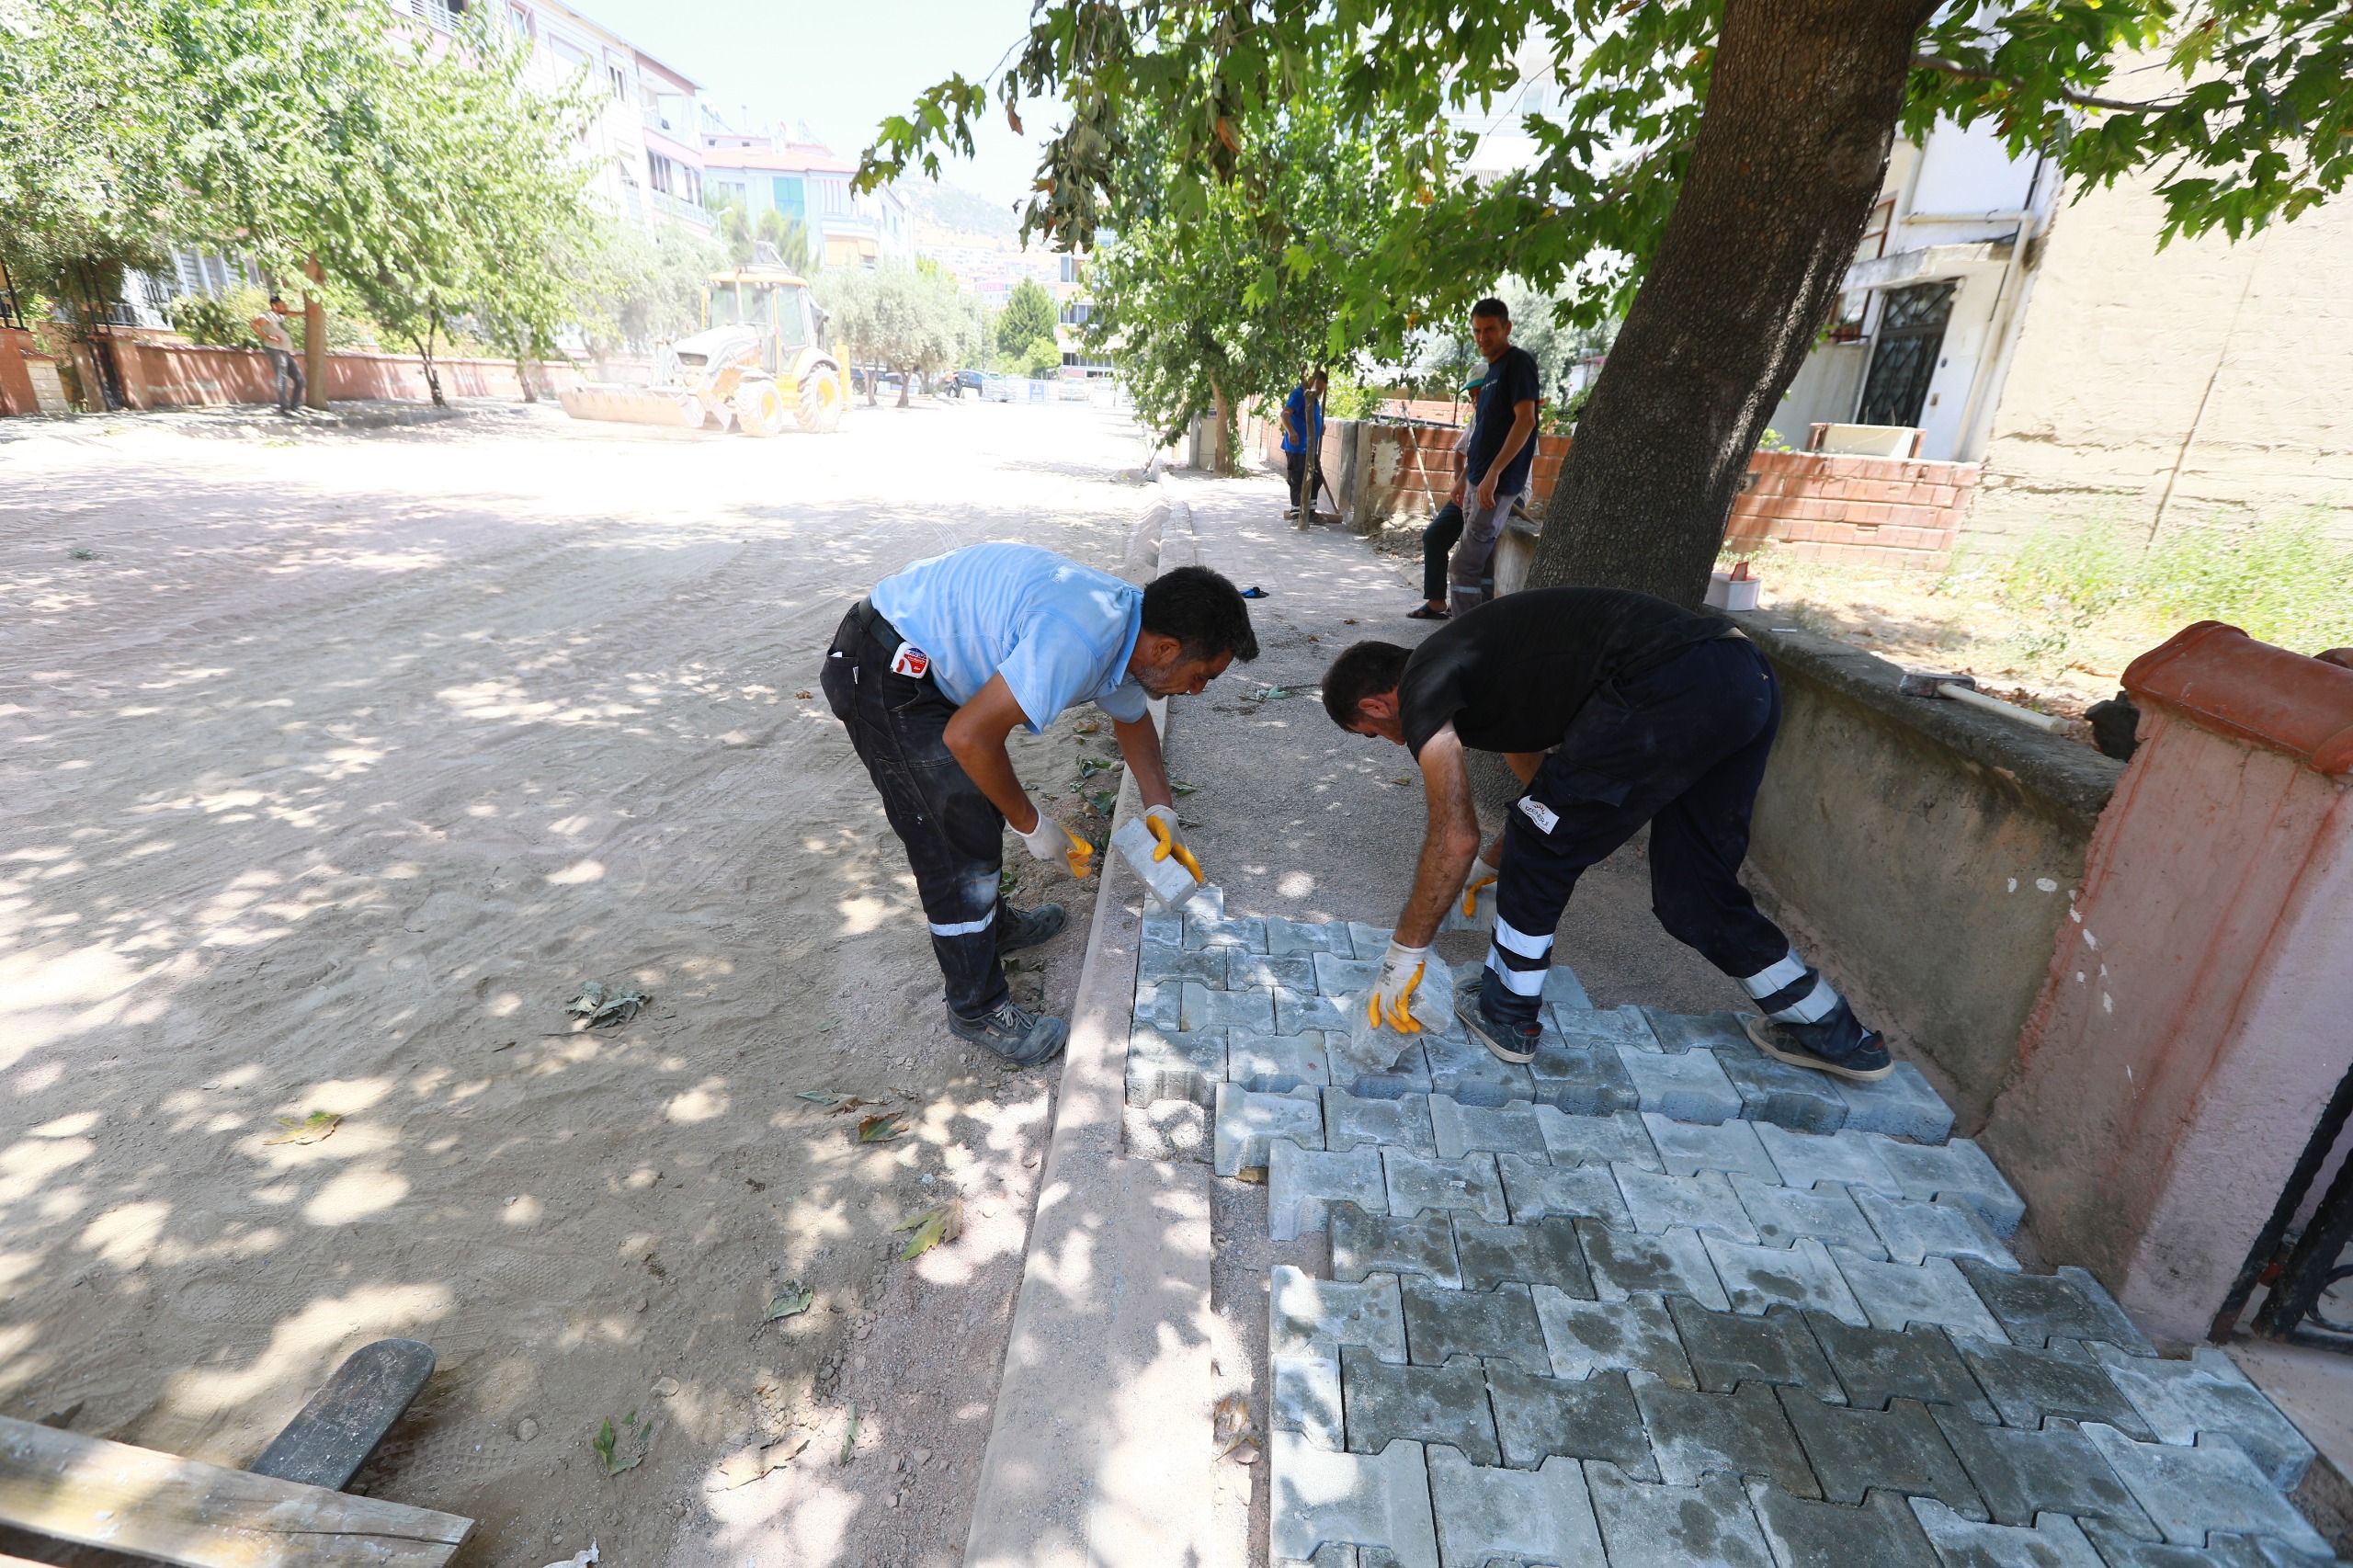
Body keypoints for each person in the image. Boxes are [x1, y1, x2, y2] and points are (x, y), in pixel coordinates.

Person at [1318, 587, 1893, 1081]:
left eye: (1371, 732)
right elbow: (1545, 785)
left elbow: (1456, 834)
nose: (1388, 743)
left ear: (1376, 704)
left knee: (1537, 844)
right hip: (1743, 680)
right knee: (1694, 894)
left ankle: (1506, 1013)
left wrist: (1404, 957)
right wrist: (1496, 864)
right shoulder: (1478, 674)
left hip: (1671, 682)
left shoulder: (1424, 684)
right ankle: (1831, 1032)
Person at [821, 544, 1258, 1064]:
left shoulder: (1127, 630)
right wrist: (1033, 826)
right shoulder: (1079, 639)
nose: (1199, 690)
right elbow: (969, 737)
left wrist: (1160, 809)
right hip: (882, 667)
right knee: (952, 835)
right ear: (1164, 649)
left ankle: (992, 926)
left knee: (976, 806)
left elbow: (1134, 722)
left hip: (920, 662)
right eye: (1203, 674)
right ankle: (976, 1007)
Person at [1435, 299, 1539, 618]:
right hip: (1476, 482)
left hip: (1496, 485)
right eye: (1477, 331)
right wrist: (1464, 480)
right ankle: (1483, 632)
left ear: (1506, 328)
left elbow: (1526, 421)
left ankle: (1460, 639)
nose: (1482, 337)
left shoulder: (1518, 363)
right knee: (1480, 566)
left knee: (1462, 567)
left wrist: (1494, 473)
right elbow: (1483, 435)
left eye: (1490, 330)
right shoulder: (1491, 371)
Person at [1407, 412, 1476, 621]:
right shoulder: (1478, 416)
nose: (1476, 399)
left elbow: (1486, 457)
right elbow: (1460, 454)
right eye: (1472, 395)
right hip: (1472, 489)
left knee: (1470, 554)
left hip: (1503, 492)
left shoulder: (1513, 416)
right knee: (1434, 536)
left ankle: (1470, 613)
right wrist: (1460, 484)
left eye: (1479, 392)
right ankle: (1436, 600)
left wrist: (1467, 480)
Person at [1280, 369, 1333, 520]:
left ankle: (1310, 512)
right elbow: (1284, 415)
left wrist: (1320, 425)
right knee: (1297, 478)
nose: (1321, 392)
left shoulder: (1313, 398)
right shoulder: (1299, 394)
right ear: (1311, 383)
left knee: (1316, 479)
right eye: (1320, 388)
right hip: (1297, 448)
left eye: (1323, 390)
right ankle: (1297, 512)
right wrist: (1291, 431)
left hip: (1309, 448)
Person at [250, 295, 304, 416]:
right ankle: (284, 408)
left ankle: (295, 406)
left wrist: (305, 313)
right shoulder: (267, 316)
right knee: (282, 378)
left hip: (285, 351)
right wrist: (268, 337)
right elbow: (254, 324)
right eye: (282, 305)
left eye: (285, 305)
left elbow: (290, 314)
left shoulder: (280, 315)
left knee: (300, 380)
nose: (285, 307)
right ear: (274, 306)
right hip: (275, 350)